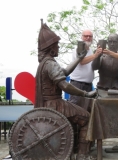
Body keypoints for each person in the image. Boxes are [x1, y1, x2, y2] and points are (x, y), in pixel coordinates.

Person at [35, 20, 97, 160]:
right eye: (56, 45)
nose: (58, 47)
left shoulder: (47, 63)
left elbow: (65, 71)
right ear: (51, 47)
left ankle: (73, 150)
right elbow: (65, 85)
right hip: (54, 104)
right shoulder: (50, 64)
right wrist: (85, 93)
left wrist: (79, 58)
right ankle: (81, 154)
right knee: (86, 118)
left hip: (50, 103)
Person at [92, 33, 118, 146]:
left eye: (115, 42)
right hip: (102, 89)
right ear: (107, 43)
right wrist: (97, 55)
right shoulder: (102, 57)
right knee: (98, 114)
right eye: (110, 42)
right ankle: (97, 138)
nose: (112, 44)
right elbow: (94, 67)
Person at [69, 29, 102, 105]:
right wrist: (95, 55)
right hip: (77, 84)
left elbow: (94, 67)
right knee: (75, 107)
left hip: (88, 85)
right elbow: (82, 61)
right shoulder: (77, 50)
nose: (88, 38)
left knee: (87, 108)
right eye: (86, 36)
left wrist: (99, 56)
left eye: (90, 36)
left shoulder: (90, 51)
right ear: (81, 37)